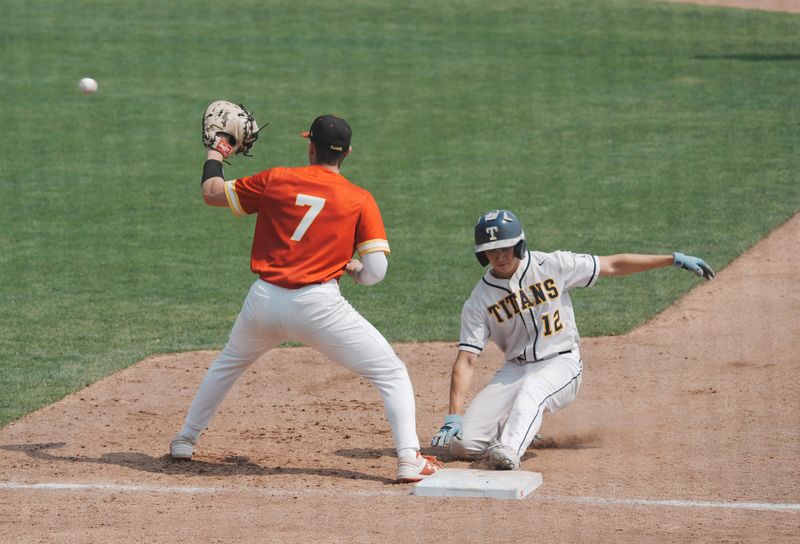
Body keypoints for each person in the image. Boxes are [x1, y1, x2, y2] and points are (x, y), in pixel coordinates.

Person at [170, 113, 443, 483]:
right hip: (319, 308)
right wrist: (354, 270)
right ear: (347, 152)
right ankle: (409, 458)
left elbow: (211, 193)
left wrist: (216, 152)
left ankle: (185, 440)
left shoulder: (276, 179)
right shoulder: (359, 199)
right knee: (391, 372)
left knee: (228, 363)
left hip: (263, 302)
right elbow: (375, 274)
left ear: (310, 147)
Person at [431, 209, 715, 470]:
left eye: (505, 248)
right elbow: (466, 360)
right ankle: (516, 424)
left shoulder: (553, 265)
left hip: (561, 362)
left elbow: (613, 264)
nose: (500, 257)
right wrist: (453, 415)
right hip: (514, 369)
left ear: (518, 245)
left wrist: (673, 259)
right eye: (491, 251)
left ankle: (509, 449)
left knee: (533, 389)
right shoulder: (479, 299)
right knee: (463, 444)